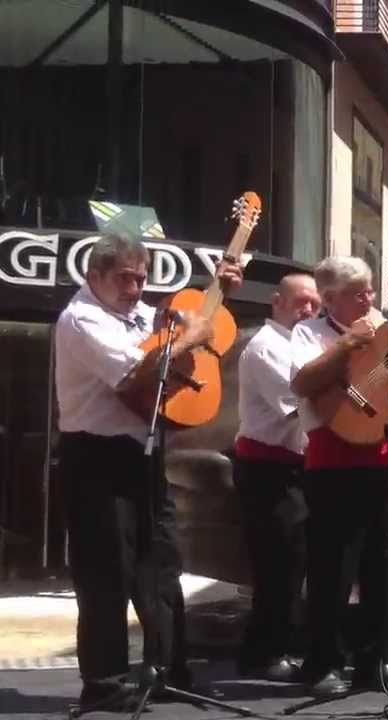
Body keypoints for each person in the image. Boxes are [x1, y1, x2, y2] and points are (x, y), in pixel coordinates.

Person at [54, 234, 241, 709]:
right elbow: (136, 373)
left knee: (161, 564)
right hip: (95, 456)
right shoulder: (82, 319)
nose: (136, 289)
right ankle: (105, 682)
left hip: (144, 451)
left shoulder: (135, 313)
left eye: (141, 278)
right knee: (107, 572)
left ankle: (168, 670)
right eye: (125, 279)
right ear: (94, 276)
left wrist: (216, 294)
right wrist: (188, 340)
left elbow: (182, 327)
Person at [290, 256, 388, 697]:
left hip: (380, 459)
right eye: (359, 292)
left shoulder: (386, 327)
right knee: (332, 570)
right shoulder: (308, 333)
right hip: (331, 464)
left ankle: (376, 661)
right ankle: (323, 663)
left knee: (384, 566)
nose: (370, 298)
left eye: (371, 289)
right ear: (330, 300)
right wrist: (347, 345)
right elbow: (302, 383)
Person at [233, 273, 320, 682]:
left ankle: (285, 641)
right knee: (277, 562)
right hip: (269, 468)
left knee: (295, 559)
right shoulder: (267, 346)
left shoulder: (303, 346)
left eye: (315, 304)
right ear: (277, 302)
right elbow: (300, 406)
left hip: (297, 466)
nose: (309, 310)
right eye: (301, 302)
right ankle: (263, 652)